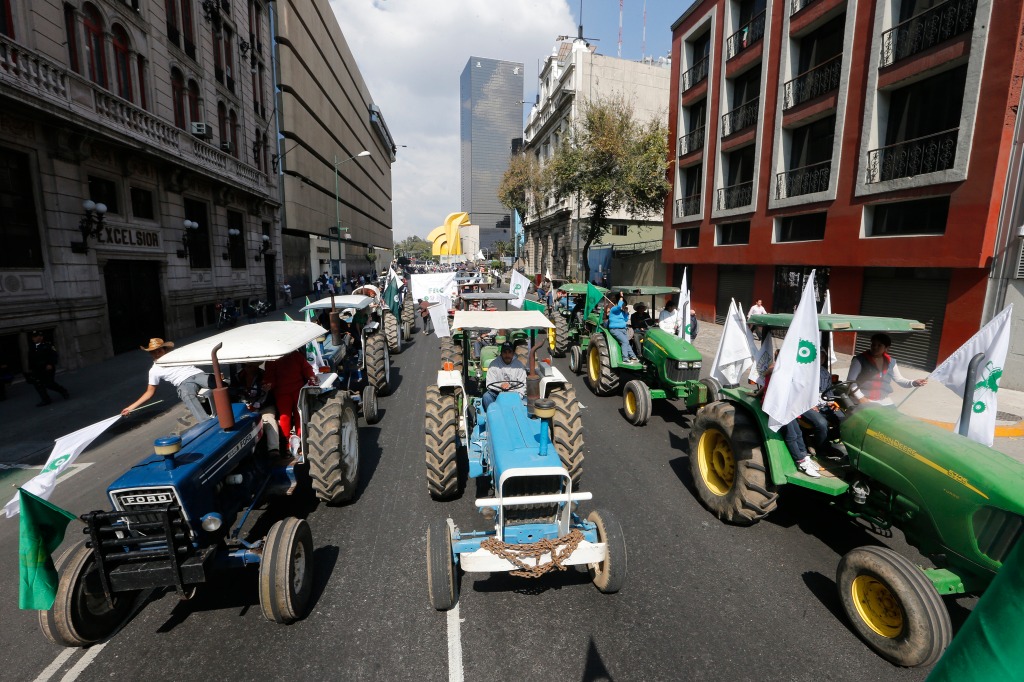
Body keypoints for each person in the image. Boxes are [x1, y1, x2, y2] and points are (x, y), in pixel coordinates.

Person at [122, 338, 212, 421]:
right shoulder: (154, 370)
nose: (157, 354)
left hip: (197, 374)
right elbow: (149, 392)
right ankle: (206, 422)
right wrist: (130, 408)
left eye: (159, 350)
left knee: (218, 382)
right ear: (150, 353)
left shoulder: (176, 355)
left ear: (164, 350)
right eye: (153, 352)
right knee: (186, 394)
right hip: (184, 383)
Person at [757, 363, 820, 478]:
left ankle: (804, 455)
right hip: (777, 407)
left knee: (798, 432)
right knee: (790, 434)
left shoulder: (789, 371)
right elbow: (770, 382)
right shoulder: (777, 370)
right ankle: (800, 461)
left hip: (788, 406)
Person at [846, 333, 927, 406]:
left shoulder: (891, 362)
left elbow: (899, 379)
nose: (875, 347)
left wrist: (913, 382)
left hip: (883, 400)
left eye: (879, 345)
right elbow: (850, 381)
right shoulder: (859, 360)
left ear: (886, 348)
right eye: (873, 344)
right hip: (862, 399)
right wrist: (861, 398)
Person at [263, 348, 316, 439]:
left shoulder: (293, 356)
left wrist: (311, 376)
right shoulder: (295, 355)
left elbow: (270, 378)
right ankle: (290, 440)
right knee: (290, 416)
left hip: (291, 391)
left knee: (292, 415)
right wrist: (311, 376)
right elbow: (306, 368)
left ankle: (293, 439)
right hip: (285, 393)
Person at [236, 361, 279, 455]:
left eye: (253, 365)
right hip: (245, 408)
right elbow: (236, 393)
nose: (250, 368)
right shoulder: (238, 377)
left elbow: (267, 394)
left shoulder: (264, 375)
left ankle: (274, 450)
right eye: (247, 365)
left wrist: (256, 404)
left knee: (269, 420)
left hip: (265, 406)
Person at [27, 330, 70, 406]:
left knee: (49, 383)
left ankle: (63, 391)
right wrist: (30, 369)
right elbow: (31, 358)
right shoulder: (32, 346)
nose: (33, 338)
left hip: (47, 367)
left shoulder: (47, 345)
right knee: (38, 384)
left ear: (40, 337)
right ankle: (46, 399)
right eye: (33, 337)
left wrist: (50, 363)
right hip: (37, 369)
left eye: (35, 337)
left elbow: (54, 355)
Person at [481, 342, 527, 410]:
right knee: (486, 397)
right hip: (497, 394)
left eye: (509, 352)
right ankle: (493, 415)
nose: (507, 355)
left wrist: (516, 396)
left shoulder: (519, 366)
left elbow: (523, 385)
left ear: (513, 353)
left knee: (528, 403)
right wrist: (501, 385)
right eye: (505, 352)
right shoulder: (494, 365)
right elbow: (489, 384)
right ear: (501, 353)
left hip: (514, 394)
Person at [608, 293, 639, 362]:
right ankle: (625, 358)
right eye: (623, 305)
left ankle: (633, 357)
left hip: (623, 329)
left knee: (627, 342)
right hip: (615, 329)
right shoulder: (614, 309)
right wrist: (621, 296)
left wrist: (626, 312)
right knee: (625, 342)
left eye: (625, 305)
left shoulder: (622, 312)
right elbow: (619, 306)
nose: (624, 306)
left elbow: (625, 319)